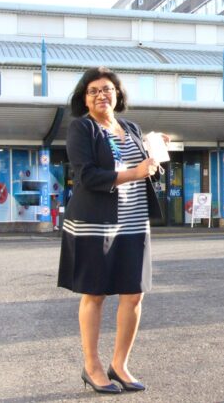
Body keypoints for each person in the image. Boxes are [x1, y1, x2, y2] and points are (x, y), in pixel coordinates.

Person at [58, 66, 167, 393]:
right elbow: (88, 176)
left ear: (118, 94)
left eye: (107, 89)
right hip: (94, 222)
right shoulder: (82, 128)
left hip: (134, 221)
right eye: (93, 91)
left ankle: (119, 364)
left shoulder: (131, 127)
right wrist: (135, 172)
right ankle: (92, 367)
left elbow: (145, 173)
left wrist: (154, 164)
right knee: (96, 293)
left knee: (133, 293)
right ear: (85, 98)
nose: (101, 95)